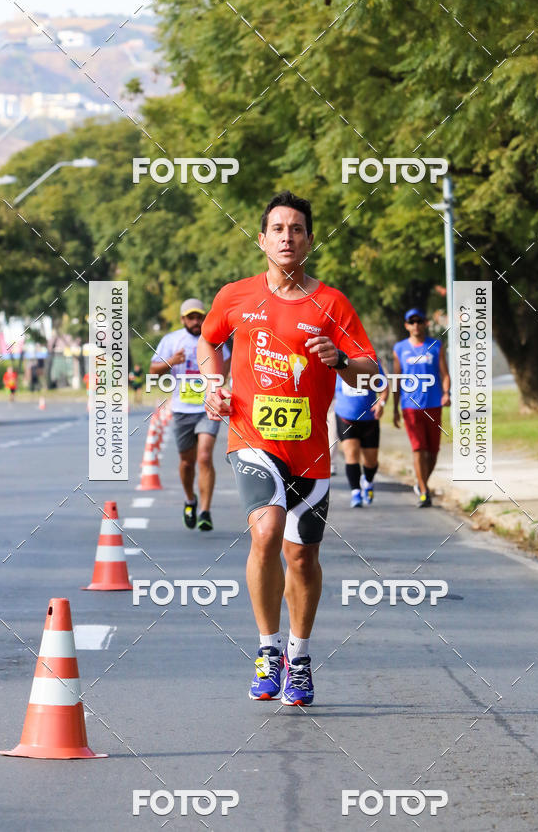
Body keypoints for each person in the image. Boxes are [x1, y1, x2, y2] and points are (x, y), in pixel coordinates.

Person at [198, 190, 377, 706]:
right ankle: (267, 649)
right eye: (277, 229)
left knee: (301, 557)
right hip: (251, 440)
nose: (287, 237)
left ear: (310, 240)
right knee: (267, 532)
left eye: (296, 229)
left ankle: (298, 658)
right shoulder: (236, 296)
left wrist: (340, 360)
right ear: (261, 239)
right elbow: (209, 340)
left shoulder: (332, 304)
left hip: (311, 452)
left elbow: (370, 368)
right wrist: (212, 384)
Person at [151, 299, 230, 531]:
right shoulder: (171, 340)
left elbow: (226, 359)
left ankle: (205, 511)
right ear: (183, 319)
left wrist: (218, 382)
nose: (196, 322)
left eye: (199, 317)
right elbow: (153, 371)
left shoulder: (213, 338)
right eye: (191, 318)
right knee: (187, 462)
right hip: (182, 409)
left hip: (207, 408)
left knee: (204, 456)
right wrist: (171, 361)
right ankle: (190, 499)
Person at [393, 308, 450, 507]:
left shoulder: (436, 345)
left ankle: (421, 482)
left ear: (425, 323)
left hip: (433, 405)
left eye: (419, 321)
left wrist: (446, 393)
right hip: (410, 407)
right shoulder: (400, 348)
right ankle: (424, 492)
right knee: (419, 448)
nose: (416, 325)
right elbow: (396, 379)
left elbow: (445, 374)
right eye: (412, 322)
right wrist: (394, 409)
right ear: (406, 325)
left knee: (433, 452)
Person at [334, 360, 388, 507]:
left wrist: (381, 403)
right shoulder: (336, 360)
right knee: (351, 454)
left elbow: (384, 388)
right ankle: (356, 492)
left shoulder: (371, 361)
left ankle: (368, 482)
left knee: (371, 461)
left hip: (369, 418)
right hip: (346, 417)